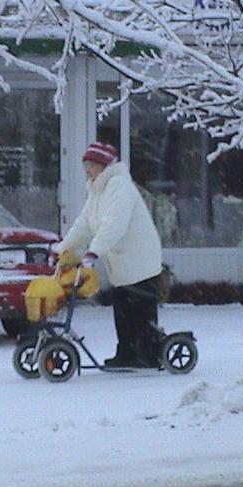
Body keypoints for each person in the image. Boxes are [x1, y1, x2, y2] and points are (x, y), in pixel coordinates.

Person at [56, 141, 164, 368]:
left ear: (103, 165)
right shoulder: (97, 190)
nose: (87, 170)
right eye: (85, 165)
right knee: (123, 308)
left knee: (140, 309)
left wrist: (94, 251)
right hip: (121, 262)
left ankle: (148, 353)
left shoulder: (120, 186)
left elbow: (115, 224)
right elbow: (84, 224)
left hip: (140, 259)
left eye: (91, 165)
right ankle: (126, 353)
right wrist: (63, 247)